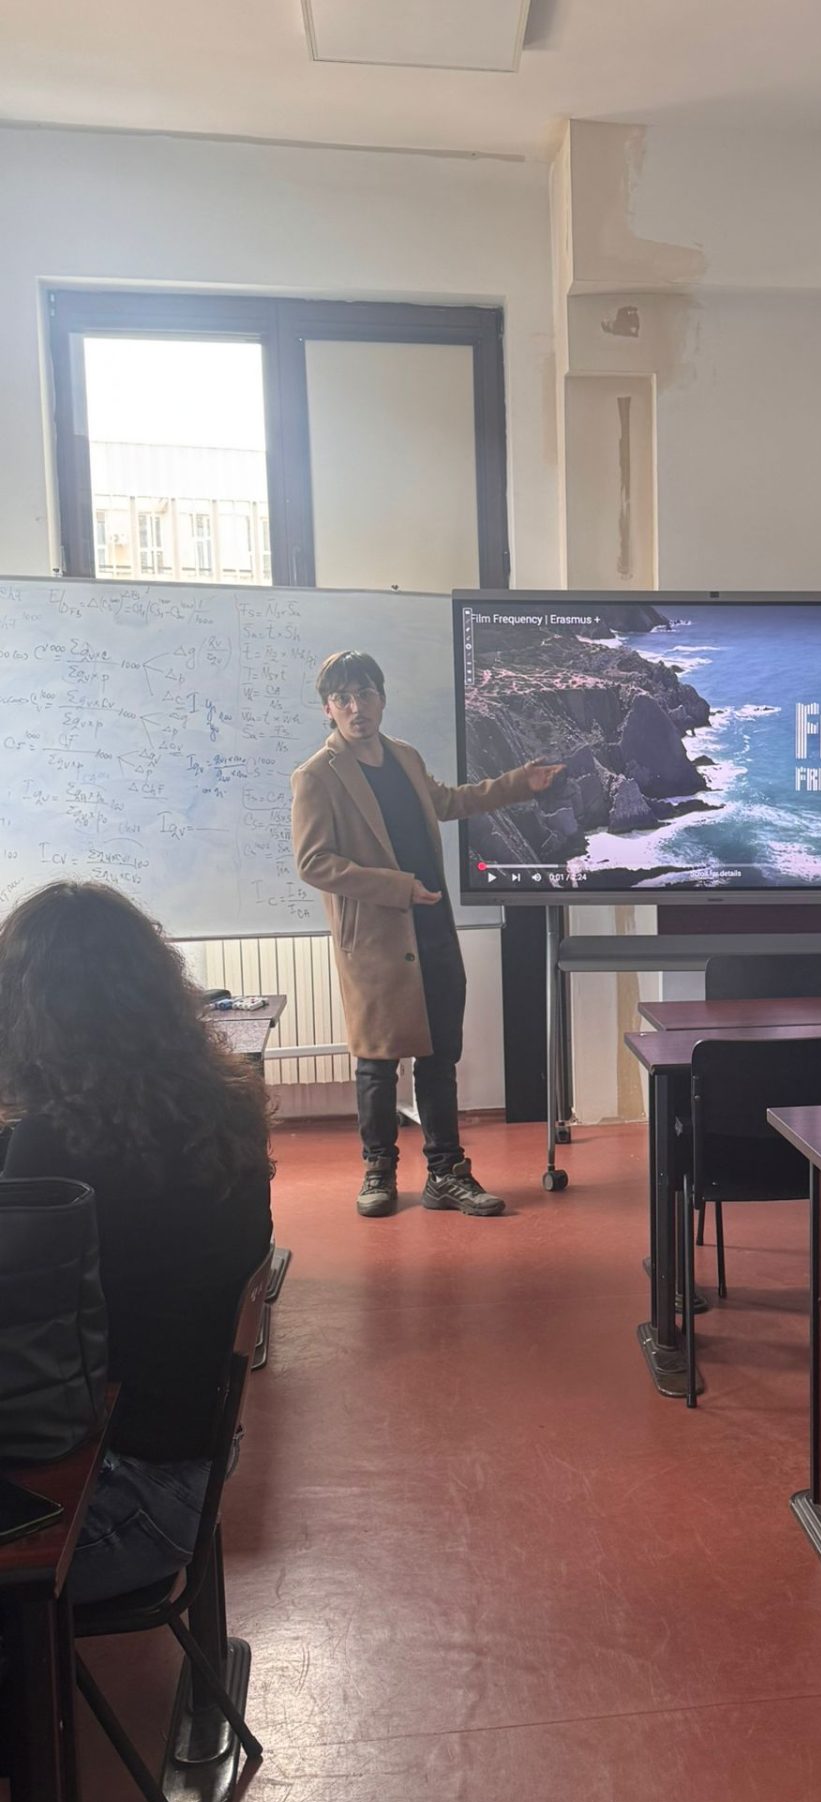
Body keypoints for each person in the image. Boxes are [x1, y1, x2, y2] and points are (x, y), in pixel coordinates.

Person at [0, 882, 274, 1606]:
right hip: (192, 1464)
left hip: (126, 1502)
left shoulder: (55, 1146)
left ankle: (33, 1672)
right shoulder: (219, 1102)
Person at [291, 650, 562, 1220]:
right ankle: (379, 1171)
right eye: (343, 698)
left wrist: (520, 783)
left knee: (440, 1056)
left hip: (433, 925)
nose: (356, 707)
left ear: (382, 699)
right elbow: (314, 863)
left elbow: (449, 802)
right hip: (375, 937)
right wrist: (397, 887)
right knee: (377, 1061)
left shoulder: (405, 757)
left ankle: (446, 1173)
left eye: (365, 694)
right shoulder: (317, 776)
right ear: (328, 709)